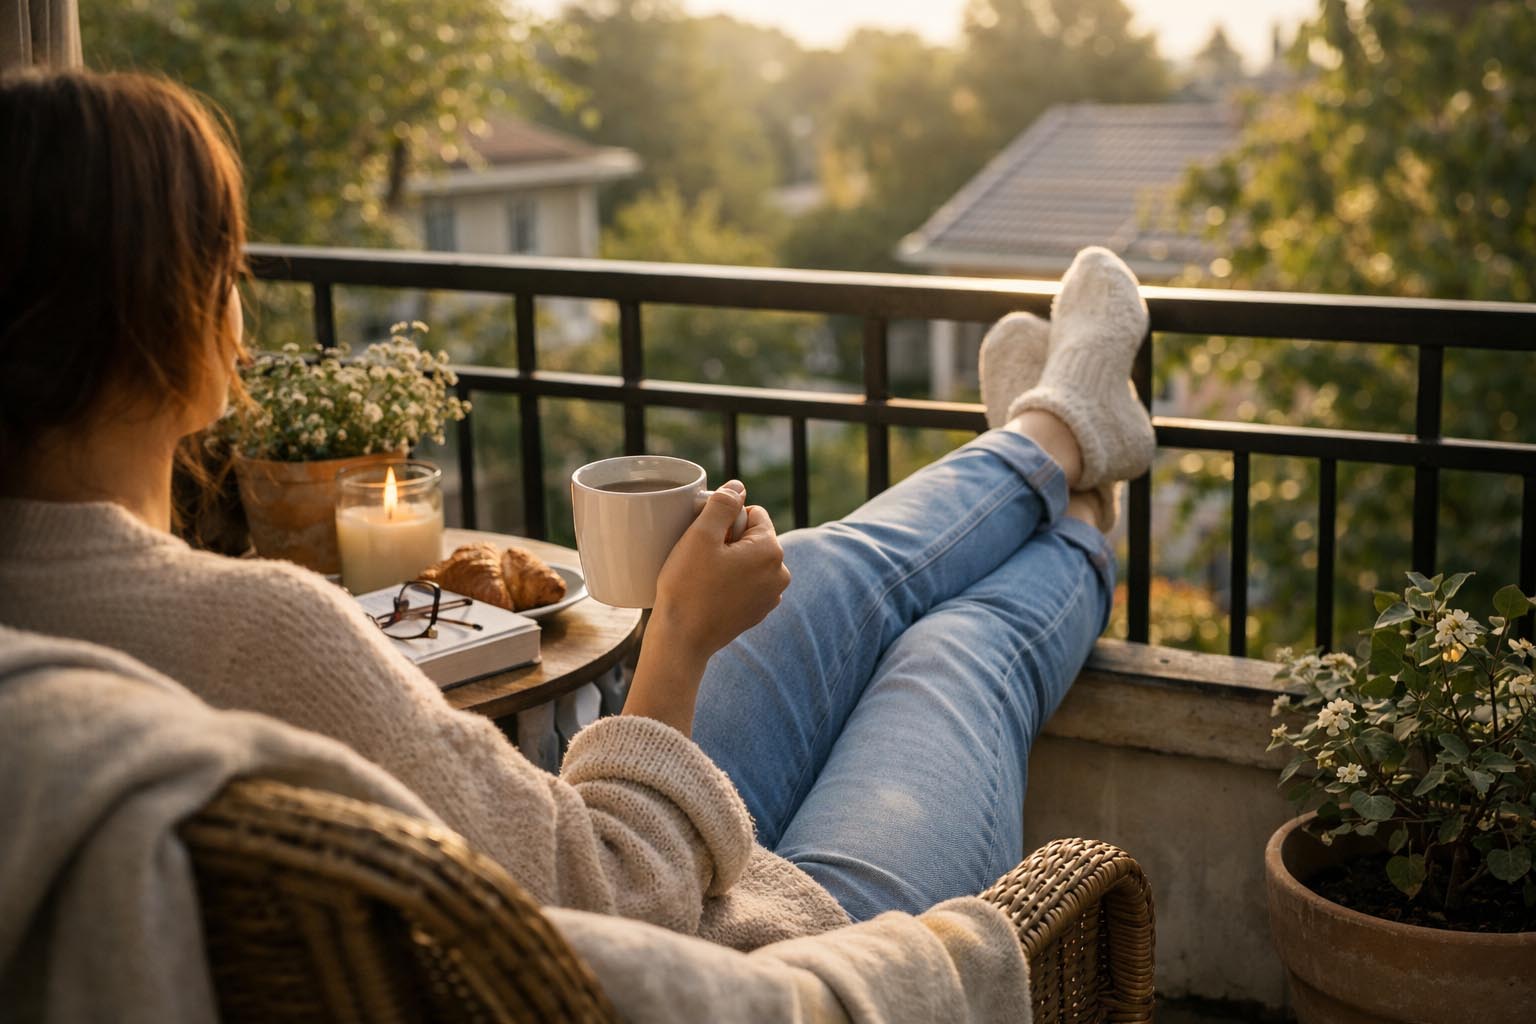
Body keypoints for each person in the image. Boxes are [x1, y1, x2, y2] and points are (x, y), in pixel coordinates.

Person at [0, 68, 1153, 1018]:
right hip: (754, 952)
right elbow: (616, 906)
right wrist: (682, 641)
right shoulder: (261, 630)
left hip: (580, 853)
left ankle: (1047, 438)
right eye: (229, 264)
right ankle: (1078, 488)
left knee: (826, 565)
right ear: (175, 309)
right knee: (950, 648)